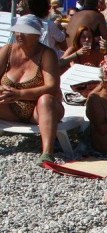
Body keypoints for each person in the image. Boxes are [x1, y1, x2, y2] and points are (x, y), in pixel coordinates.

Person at [0, 15, 63, 164]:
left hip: (39, 111)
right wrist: (3, 89)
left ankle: (47, 153)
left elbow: (52, 87)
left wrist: (19, 94)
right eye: (17, 31)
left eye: (25, 32)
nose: (19, 35)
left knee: (46, 100)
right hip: (10, 108)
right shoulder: (7, 51)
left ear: (37, 35)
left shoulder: (47, 54)